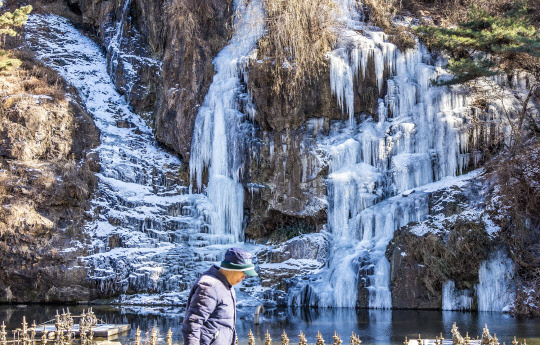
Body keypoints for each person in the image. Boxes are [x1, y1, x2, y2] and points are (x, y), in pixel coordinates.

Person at [182, 248, 258, 345]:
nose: (244, 277)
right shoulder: (209, 286)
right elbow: (192, 325)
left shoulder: (227, 285)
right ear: (232, 268)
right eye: (243, 272)